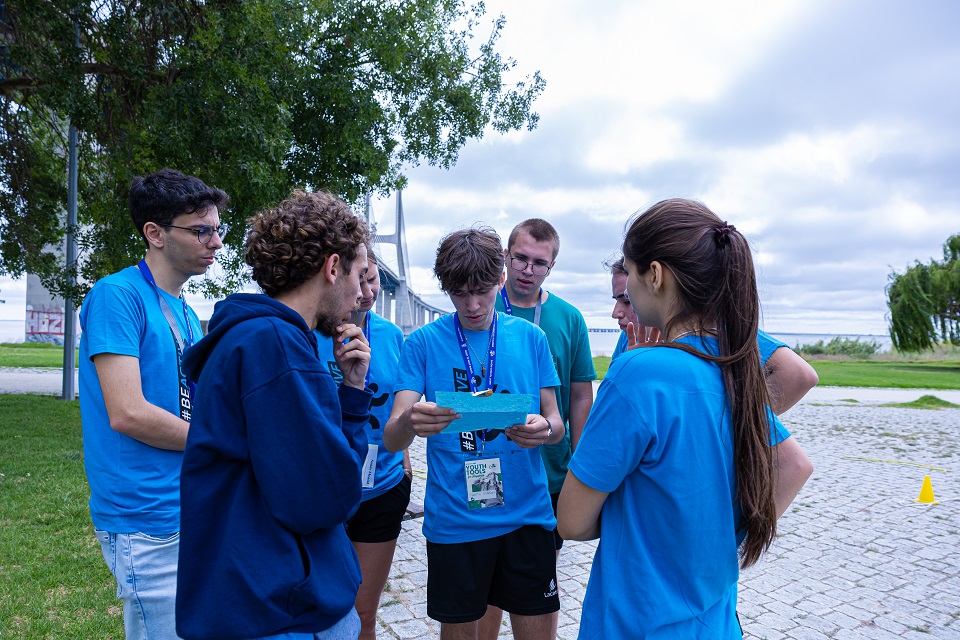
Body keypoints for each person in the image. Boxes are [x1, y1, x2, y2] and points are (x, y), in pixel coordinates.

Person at [558, 199, 814, 639]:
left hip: (636, 623)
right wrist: (724, 541)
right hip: (715, 623)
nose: (626, 294)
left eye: (630, 275)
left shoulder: (640, 372)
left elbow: (572, 520)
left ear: (655, 275)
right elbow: (794, 464)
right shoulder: (731, 370)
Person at [175, 190, 373, 640]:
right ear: (333, 267)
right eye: (359, 276)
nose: (363, 295)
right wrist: (352, 405)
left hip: (257, 597)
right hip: (281, 613)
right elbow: (325, 498)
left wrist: (352, 390)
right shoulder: (277, 348)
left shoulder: (253, 337)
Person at [384, 226, 564, 640]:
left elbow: (556, 425)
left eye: (482, 291)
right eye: (459, 293)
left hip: (528, 518)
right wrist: (409, 422)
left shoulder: (531, 338)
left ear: (501, 278)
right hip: (456, 523)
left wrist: (543, 429)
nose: (473, 305)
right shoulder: (423, 343)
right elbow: (392, 438)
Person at [78, 168, 229, 639]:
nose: (216, 243)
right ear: (155, 233)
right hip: (144, 517)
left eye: (217, 229)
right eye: (201, 231)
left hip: (187, 503)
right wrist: (223, 441)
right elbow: (128, 412)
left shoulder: (184, 310)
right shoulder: (117, 296)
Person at [314, 253, 411, 640]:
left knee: (363, 613)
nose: (369, 291)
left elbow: (398, 406)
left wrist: (404, 466)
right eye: (362, 278)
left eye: (374, 280)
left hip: (381, 487)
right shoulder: (310, 330)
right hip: (324, 489)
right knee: (323, 613)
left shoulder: (392, 335)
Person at [607, 255, 818, 414]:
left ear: (657, 284)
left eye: (627, 300)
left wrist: (734, 430)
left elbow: (798, 375)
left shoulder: (707, 329)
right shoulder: (629, 339)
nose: (616, 312)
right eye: (616, 301)